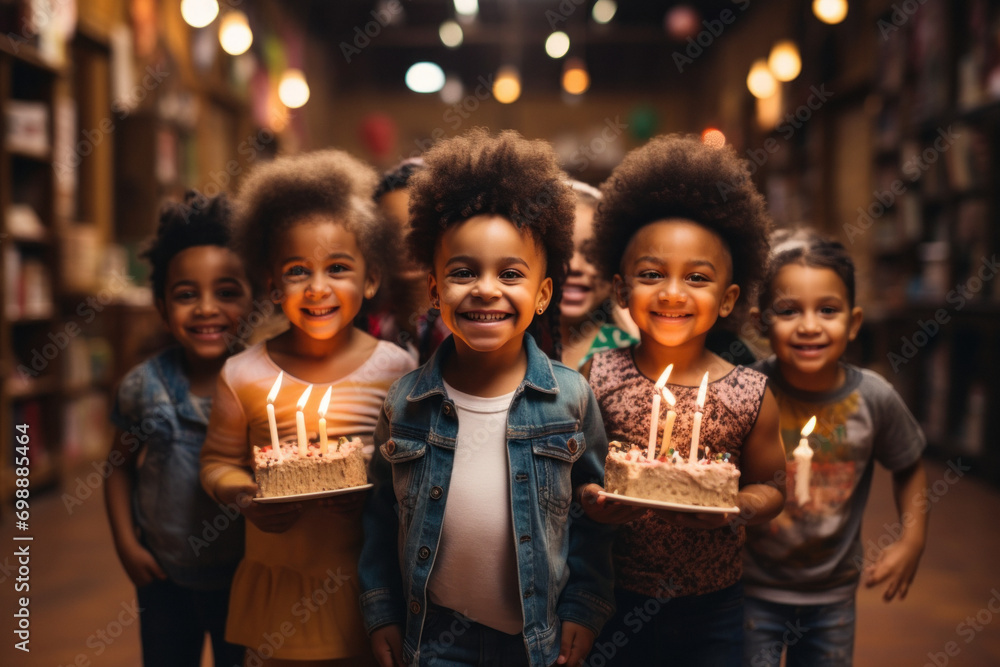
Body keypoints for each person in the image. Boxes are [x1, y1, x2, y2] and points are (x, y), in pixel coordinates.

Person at [359, 129, 615, 667]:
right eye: (463, 272)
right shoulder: (404, 402)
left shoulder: (571, 398)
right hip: (431, 639)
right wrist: (380, 609)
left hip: (535, 641)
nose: (485, 288)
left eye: (511, 274)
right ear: (434, 289)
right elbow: (382, 515)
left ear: (543, 294)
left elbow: (593, 517)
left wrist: (585, 608)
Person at [199, 150, 417, 666]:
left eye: (338, 268)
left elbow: (411, 462)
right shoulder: (243, 374)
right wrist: (246, 495)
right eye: (298, 271)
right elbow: (215, 464)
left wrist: (370, 482)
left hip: (365, 583)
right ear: (273, 286)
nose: (318, 288)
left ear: (370, 280)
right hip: (279, 586)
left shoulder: (397, 368)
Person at [580, 133, 787, 665]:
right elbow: (568, 470)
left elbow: (774, 487)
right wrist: (589, 500)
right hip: (610, 597)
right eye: (652, 275)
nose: (673, 293)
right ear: (622, 291)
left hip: (711, 607)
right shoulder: (595, 376)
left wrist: (736, 507)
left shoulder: (749, 392)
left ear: (728, 299)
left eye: (697, 278)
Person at [742, 231, 929, 667]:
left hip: (832, 597)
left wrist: (913, 538)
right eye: (789, 311)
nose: (810, 325)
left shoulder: (875, 398)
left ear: (854, 322)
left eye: (828, 310)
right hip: (751, 591)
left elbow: (908, 465)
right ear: (760, 323)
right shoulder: (746, 391)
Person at [104, 190, 252, 667]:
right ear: (164, 309)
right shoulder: (143, 387)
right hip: (163, 578)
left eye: (226, 292)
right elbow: (117, 468)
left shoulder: (264, 385)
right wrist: (127, 545)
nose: (206, 309)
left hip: (244, 579)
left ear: (255, 299)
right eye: (187, 295)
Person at [557, 179, 637, 370]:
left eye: (592, 253)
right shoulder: (510, 347)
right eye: (560, 251)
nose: (574, 266)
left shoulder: (627, 357)